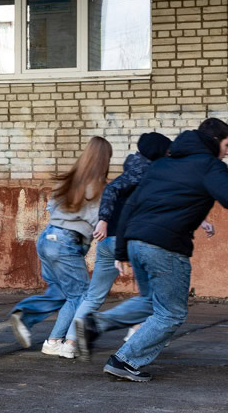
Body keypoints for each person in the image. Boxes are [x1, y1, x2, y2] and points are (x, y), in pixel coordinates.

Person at [95, 118, 228, 382]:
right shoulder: (209, 165)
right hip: (164, 246)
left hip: (136, 242)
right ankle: (124, 360)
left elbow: (131, 205)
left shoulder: (163, 164)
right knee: (170, 313)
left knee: (155, 304)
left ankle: (111, 338)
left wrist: (122, 251)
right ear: (215, 141)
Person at [70, 132, 211, 352]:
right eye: (167, 151)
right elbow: (132, 198)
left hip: (115, 241)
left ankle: (72, 342)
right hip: (129, 240)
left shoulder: (138, 169)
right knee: (156, 298)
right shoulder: (147, 171)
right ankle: (133, 334)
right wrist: (104, 222)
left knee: (99, 295)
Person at [8, 137, 112, 359]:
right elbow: (99, 222)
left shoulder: (69, 180)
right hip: (66, 243)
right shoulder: (98, 188)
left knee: (64, 293)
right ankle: (58, 337)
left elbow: (51, 206)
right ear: (105, 160)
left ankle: (51, 340)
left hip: (47, 238)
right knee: (83, 295)